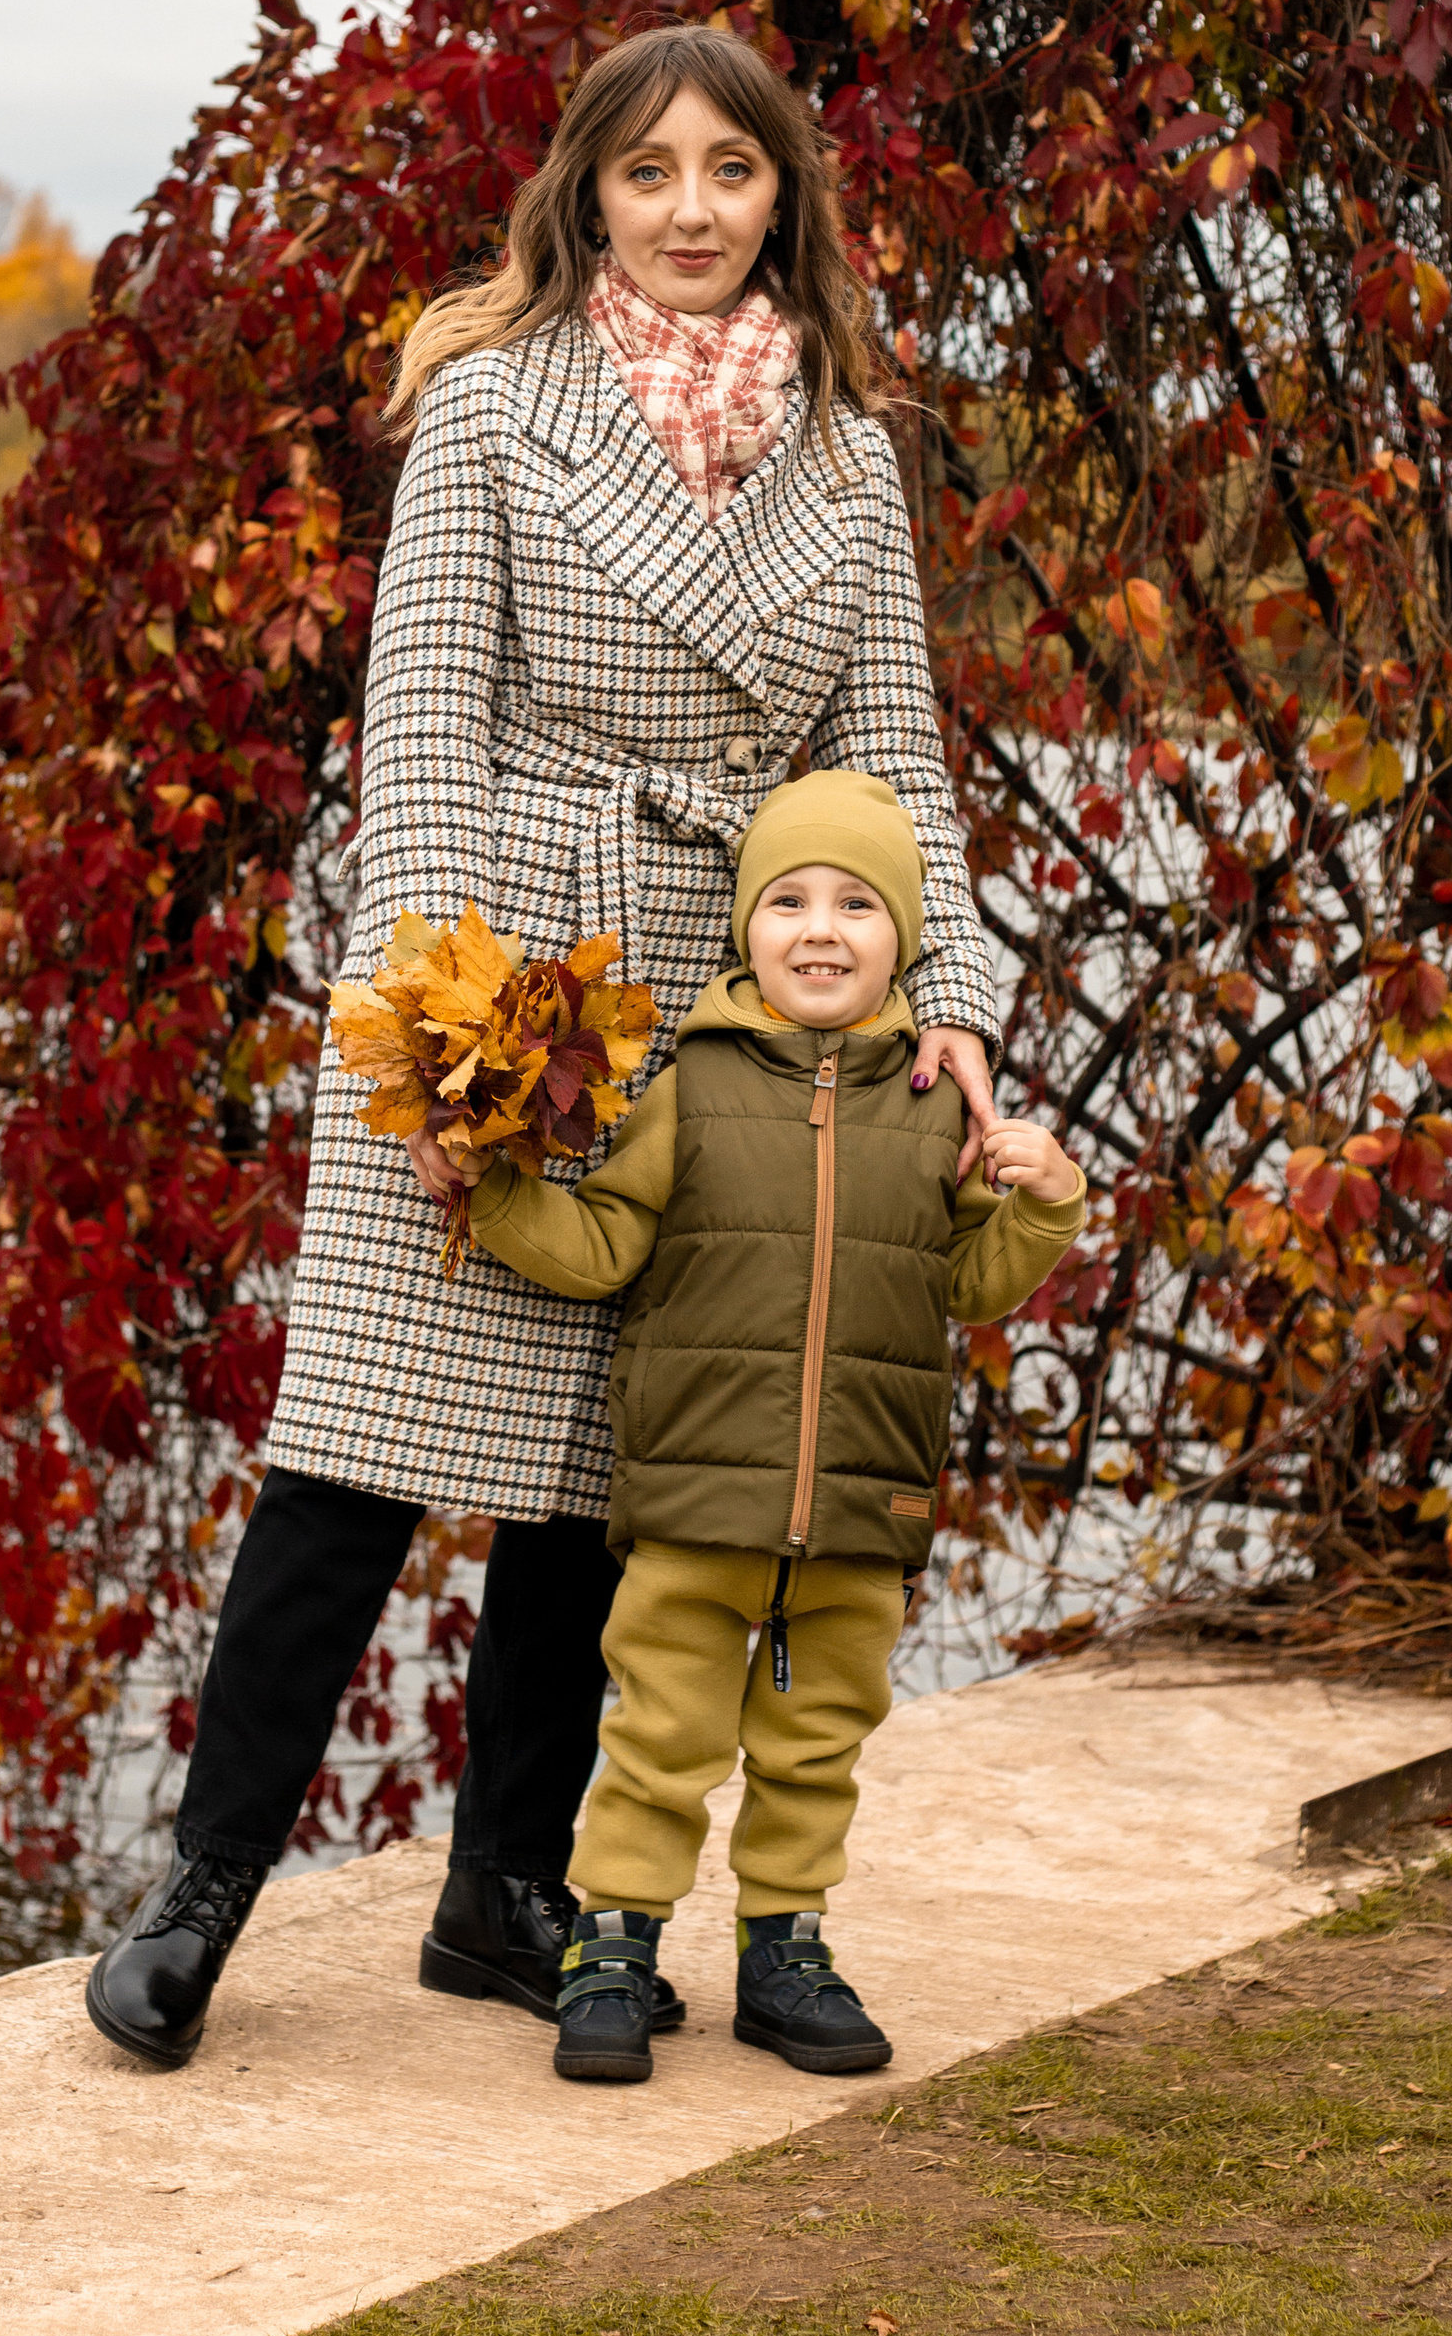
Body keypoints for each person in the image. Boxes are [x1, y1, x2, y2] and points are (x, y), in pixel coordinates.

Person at [84, 26, 1008, 2075]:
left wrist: (950, 1002)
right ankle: (198, 1902)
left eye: (730, 172)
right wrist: (425, 1053)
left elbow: (893, 767)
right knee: (352, 1459)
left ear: (784, 197)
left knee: (613, 1481)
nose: (690, 210)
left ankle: (503, 1898)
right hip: (490, 978)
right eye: (648, 173)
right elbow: (413, 746)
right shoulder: (495, 410)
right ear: (584, 193)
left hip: (714, 1007)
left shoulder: (845, 453)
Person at [450, 768, 1084, 2083]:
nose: (820, 928)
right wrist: (501, 1196)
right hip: (695, 1501)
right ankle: (612, 1943)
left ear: (904, 936)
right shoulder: (693, 1085)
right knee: (659, 1733)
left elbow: (967, 1282)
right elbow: (607, 1241)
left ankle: (784, 1949)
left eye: (857, 903)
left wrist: (1044, 1206)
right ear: (745, 926)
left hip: (859, 1506)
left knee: (815, 1743)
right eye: (788, 898)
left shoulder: (933, 1106)